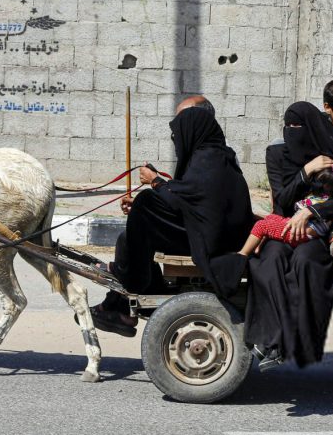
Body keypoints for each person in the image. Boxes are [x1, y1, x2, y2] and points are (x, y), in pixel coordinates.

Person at [90, 97, 254, 337]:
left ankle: (130, 284)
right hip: (206, 230)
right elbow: (192, 199)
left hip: (211, 239)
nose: (177, 137)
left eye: (180, 127)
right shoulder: (212, 155)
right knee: (134, 228)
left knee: (145, 205)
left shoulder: (209, 159)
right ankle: (120, 306)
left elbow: (188, 200)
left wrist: (155, 183)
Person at [246, 102, 333, 370]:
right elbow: (282, 199)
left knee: (306, 263)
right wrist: (305, 171)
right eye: (289, 127)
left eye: (298, 127)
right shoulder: (276, 154)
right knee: (269, 261)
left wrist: (311, 212)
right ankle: (271, 341)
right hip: (284, 224)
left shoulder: (332, 152)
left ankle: (295, 342)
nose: (293, 132)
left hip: (317, 228)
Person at [238, 166, 333, 255]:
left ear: (325, 186)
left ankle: (243, 254)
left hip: (300, 235)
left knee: (261, 225)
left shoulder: (322, 202)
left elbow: (300, 207)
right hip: (300, 229)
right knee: (270, 218)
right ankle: (257, 248)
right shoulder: (327, 200)